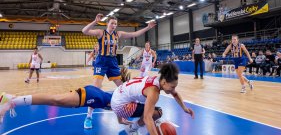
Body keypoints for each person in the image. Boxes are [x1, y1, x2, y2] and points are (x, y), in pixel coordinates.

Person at [81, 14, 156, 129]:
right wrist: (95, 21)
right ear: (107, 24)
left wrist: (147, 28)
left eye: (115, 24)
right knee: (95, 89)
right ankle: (89, 117)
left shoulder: (118, 34)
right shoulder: (101, 33)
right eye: (112, 23)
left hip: (112, 62)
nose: (114, 25)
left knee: (123, 87)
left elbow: (134, 34)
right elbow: (84, 31)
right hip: (101, 61)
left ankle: (127, 111)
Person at [0, 68, 132, 125]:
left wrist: (121, 120)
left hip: (91, 97)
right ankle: (11, 100)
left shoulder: (123, 100)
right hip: (90, 95)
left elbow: (116, 109)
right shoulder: (124, 99)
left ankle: (12, 101)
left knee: (53, 101)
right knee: (54, 99)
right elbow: (117, 106)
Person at [111, 63, 195, 135]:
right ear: (164, 82)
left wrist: (185, 108)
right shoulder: (154, 91)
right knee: (157, 113)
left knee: (152, 110)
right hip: (121, 107)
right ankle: (131, 129)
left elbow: (175, 94)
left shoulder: (156, 80)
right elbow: (147, 118)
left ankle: (136, 124)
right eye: (172, 87)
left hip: (116, 99)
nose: (173, 90)